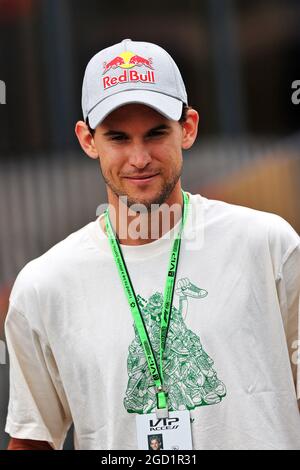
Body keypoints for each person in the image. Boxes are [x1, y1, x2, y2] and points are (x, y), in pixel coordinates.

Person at [4, 39, 300, 451]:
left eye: (156, 133)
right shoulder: (44, 286)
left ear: (189, 128)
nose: (139, 158)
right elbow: (32, 440)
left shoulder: (269, 246)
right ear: (88, 140)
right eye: (119, 137)